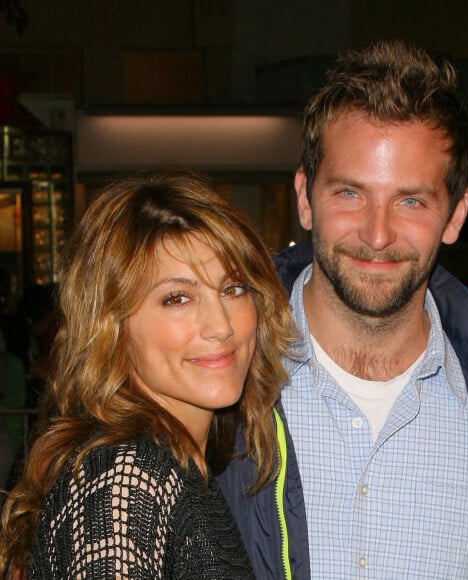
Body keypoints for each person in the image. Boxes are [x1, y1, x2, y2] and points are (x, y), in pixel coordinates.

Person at [218, 40, 468, 578]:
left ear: (456, 215)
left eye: (411, 200)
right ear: (304, 197)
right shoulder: (215, 379)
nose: (378, 234)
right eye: (350, 193)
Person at [0, 171, 295, 578]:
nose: (221, 326)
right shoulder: (127, 479)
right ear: (113, 325)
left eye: (233, 289)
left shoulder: (178, 468)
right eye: (178, 298)